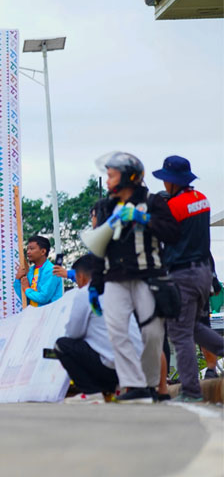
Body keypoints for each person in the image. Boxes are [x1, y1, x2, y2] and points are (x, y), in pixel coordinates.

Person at [93, 152, 180, 404]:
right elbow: (100, 247)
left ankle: (150, 383)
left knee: (152, 334)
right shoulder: (105, 207)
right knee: (117, 331)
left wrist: (146, 219)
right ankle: (134, 385)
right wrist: (95, 286)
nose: (107, 181)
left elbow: (174, 233)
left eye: (111, 176)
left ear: (130, 177)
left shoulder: (153, 202)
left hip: (148, 276)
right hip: (114, 279)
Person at [153, 156, 221, 403]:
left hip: (182, 274)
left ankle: (191, 390)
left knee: (179, 334)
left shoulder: (173, 206)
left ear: (171, 182)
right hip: (203, 271)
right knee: (193, 327)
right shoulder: (201, 199)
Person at [56, 255, 142, 404]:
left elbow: (73, 333)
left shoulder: (86, 293)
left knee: (62, 345)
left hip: (111, 366)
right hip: (136, 367)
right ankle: (114, 388)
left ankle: (91, 392)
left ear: (81, 276)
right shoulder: (118, 291)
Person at [14, 236, 63, 308]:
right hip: (33, 315)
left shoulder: (52, 270)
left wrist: (27, 289)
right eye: (27, 249)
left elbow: (44, 297)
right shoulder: (31, 272)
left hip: (49, 316)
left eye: (32, 249)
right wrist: (18, 281)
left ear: (43, 251)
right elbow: (26, 299)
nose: (28, 252)